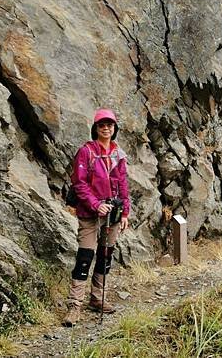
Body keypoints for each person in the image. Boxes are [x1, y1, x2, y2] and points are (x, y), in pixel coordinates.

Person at [63, 108, 131, 327]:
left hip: (113, 213)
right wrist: (96, 204)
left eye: (110, 125)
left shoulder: (118, 153)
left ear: (114, 128)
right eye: (102, 124)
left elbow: (123, 184)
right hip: (90, 213)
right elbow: (79, 183)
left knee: (105, 255)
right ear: (95, 128)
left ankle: (96, 298)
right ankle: (75, 305)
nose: (106, 128)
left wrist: (125, 212)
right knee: (85, 255)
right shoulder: (86, 152)